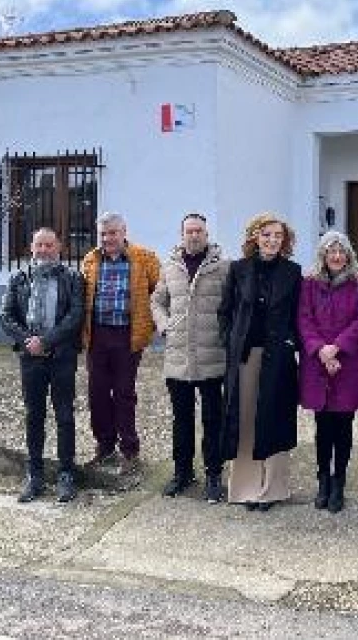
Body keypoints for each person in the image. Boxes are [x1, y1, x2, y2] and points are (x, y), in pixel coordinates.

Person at [218, 212, 302, 511]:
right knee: (245, 421)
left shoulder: (293, 272)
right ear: (255, 237)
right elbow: (225, 312)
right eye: (266, 235)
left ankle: (272, 489)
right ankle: (245, 489)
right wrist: (231, 340)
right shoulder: (239, 269)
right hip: (245, 357)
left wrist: (291, 342)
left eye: (278, 236)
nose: (272, 240)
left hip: (277, 358)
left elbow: (298, 316)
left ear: (284, 240)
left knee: (274, 419)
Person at [0, 228, 84, 503]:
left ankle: (66, 475)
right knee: (33, 416)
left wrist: (46, 341)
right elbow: (6, 316)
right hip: (30, 359)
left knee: (64, 416)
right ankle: (34, 475)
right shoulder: (19, 278)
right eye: (39, 245)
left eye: (49, 245)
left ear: (58, 247)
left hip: (61, 357)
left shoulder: (72, 277)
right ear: (31, 248)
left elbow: (75, 315)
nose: (44, 250)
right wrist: (28, 341)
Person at [151, 213, 230, 502]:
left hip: (212, 357)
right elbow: (157, 300)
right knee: (181, 420)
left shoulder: (223, 267)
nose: (194, 235)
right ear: (181, 234)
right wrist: (162, 324)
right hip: (178, 358)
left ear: (207, 234)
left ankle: (213, 474)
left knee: (213, 420)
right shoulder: (170, 266)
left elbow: (231, 306)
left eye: (198, 231)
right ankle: (182, 473)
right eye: (189, 231)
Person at [298, 231, 358, 514]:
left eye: (341, 251)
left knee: (343, 426)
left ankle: (339, 481)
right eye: (331, 251)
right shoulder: (309, 283)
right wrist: (320, 349)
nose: (337, 256)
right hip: (317, 363)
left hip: (348, 364)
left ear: (349, 254)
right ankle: (323, 481)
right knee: (322, 426)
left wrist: (338, 348)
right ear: (323, 255)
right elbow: (304, 318)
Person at [81, 212, 160, 474]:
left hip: (128, 335)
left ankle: (129, 450)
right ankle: (104, 447)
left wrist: (153, 326)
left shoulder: (145, 258)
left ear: (124, 232)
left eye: (113, 233)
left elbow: (160, 295)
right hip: (98, 335)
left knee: (124, 393)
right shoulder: (90, 259)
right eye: (103, 233)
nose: (107, 238)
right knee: (97, 393)